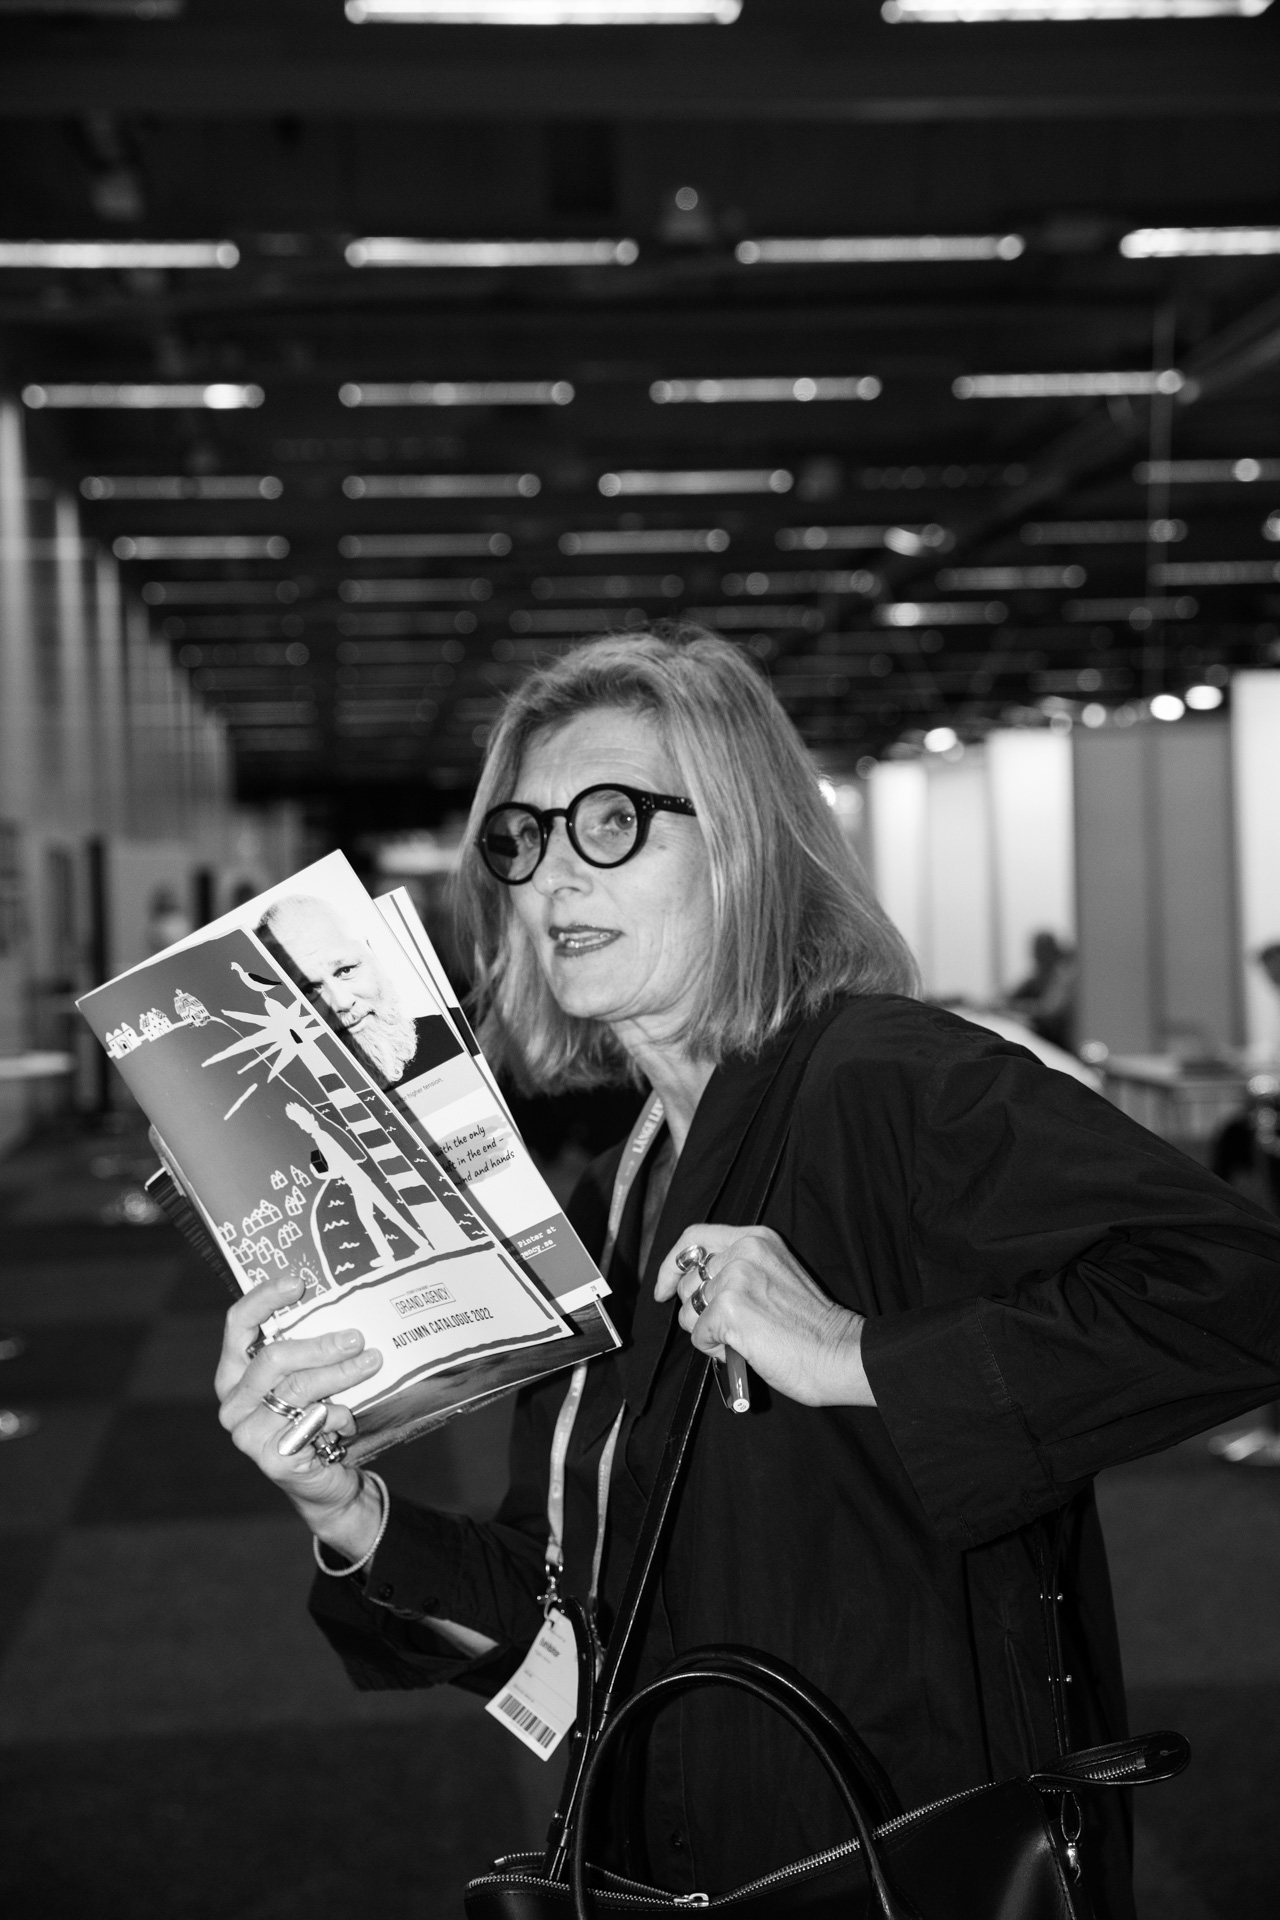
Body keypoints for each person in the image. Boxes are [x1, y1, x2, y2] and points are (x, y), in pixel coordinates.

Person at [216, 631, 1280, 1919]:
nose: (552, 875)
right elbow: (581, 1608)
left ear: (743, 845)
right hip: (669, 1849)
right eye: (523, 836)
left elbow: (1235, 1284)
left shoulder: (884, 1081)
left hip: (893, 1853)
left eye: (609, 823)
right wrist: (346, 1509)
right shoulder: (626, 1180)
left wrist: (852, 1359)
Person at [260, 893, 459, 1090]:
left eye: (346, 970)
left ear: (372, 954)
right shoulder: (294, 1097)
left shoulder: (457, 1034)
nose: (343, 1002)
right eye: (310, 989)